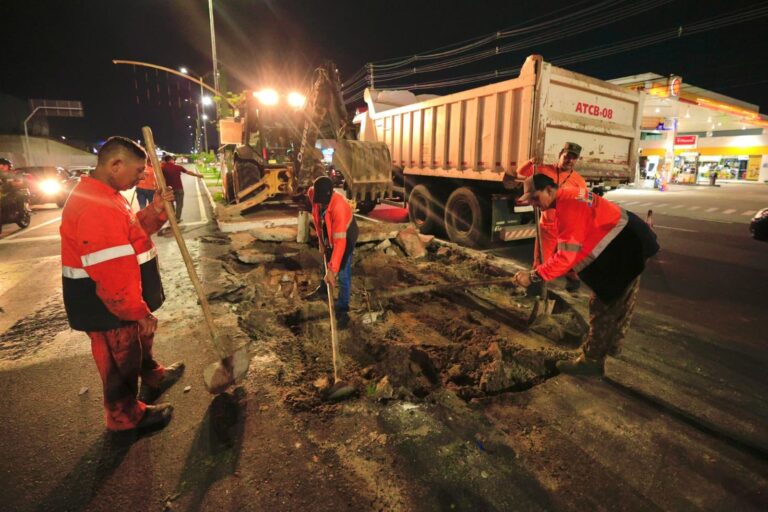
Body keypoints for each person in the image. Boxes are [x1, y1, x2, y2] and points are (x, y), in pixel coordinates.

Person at [60, 137, 184, 432]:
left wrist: (155, 210)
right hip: (108, 306)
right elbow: (112, 270)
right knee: (120, 359)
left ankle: (152, 375)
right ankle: (124, 417)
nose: (143, 176)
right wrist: (135, 311)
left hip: (122, 301)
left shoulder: (107, 195)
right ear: (115, 165)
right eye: (139, 170)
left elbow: (133, 232)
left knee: (138, 344)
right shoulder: (95, 206)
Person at [512, 174, 659, 376]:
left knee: (602, 306)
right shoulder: (568, 196)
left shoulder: (567, 209)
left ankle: (591, 361)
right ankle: (613, 345)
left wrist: (533, 276)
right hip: (631, 240)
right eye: (530, 202)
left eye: (535, 198)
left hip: (625, 249)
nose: (534, 205)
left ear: (549, 190)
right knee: (623, 300)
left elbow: (565, 258)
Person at [509, 142, 587, 293]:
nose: (569, 160)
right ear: (560, 155)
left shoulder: (579, 181)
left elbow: (582, 202)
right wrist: (531, 162)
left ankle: (572, 281)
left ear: (576, 160)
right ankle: (537, 289)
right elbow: (521, 173)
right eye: (567, 156)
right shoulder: (544, 169)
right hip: (548, 225)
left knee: (568, 257)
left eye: (573, 158)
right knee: (541, 260)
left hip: (566, 225)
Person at [305, 176, 358, 329]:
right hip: (331, 229)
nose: (320, 204)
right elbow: (317, 219)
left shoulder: (339, 207)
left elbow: (340, 243)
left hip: (346, 234)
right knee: (328, 260)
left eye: (323, 202)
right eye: (318, 201)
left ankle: (343, 307)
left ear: (329, 196)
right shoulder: (314, 194)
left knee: (342, 271)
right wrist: (322, 243)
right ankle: (324, 287)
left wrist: (333, 270)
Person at [161, 154, 203, 222]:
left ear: (165, 161)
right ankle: (177, 218)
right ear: (171, 160)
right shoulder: (178, 167)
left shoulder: (162, 168)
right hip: (179, 189)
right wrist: (198, 175)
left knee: (170, 205)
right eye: (173, 160)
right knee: (179, 204)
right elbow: (188, 172)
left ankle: (172, 218)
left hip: (169, 190)